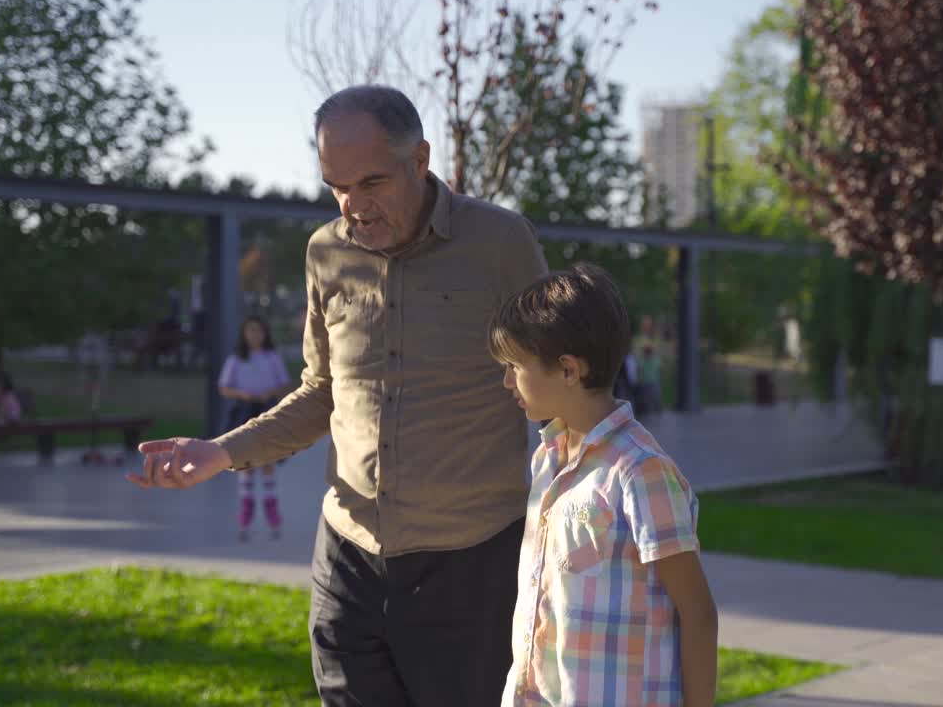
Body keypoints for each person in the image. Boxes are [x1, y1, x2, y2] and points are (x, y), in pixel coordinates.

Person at [126, 84, 548, 705]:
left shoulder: (502, 243)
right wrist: (221, 451)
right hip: (348, 564)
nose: (354, 206)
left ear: (421, 159)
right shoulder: (325, 252)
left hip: (471, 567)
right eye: (337, 186)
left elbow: (552, 376)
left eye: (371, 182)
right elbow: (323, 390)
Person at [487, 263, 719, 707]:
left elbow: (697, 612)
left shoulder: (640, 471)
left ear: (568, 370)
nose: (506, 381)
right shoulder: (547, 460)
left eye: (515, 366)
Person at [218, 316, 292, 541]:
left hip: (267, 410)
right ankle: (245, 514)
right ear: (244, 334)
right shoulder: (236, 359)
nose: (255, 335)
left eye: (259, 331)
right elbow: (224, 387)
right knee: (246, 462)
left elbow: (285, 384)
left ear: (265, 334)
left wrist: (270, 393)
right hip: (244, 411)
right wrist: (242, 394)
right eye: (250, 331)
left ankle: (272, 514)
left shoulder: (272, 357)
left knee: (268, 461)